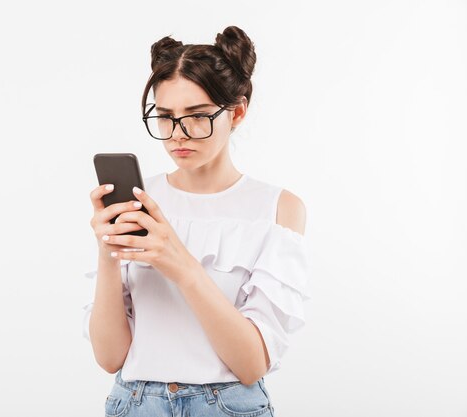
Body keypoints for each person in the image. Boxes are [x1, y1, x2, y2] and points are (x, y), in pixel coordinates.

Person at [82, 25, 311, 417]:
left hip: (226, 405)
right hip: (135, 404)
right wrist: (108, 255)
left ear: (237, 112)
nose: (178, 135)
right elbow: (109, 357)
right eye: (166, 117)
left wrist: (182, 266)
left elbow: (252, 363)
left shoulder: (277, 207)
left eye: (197, 116)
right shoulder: (141, 200)